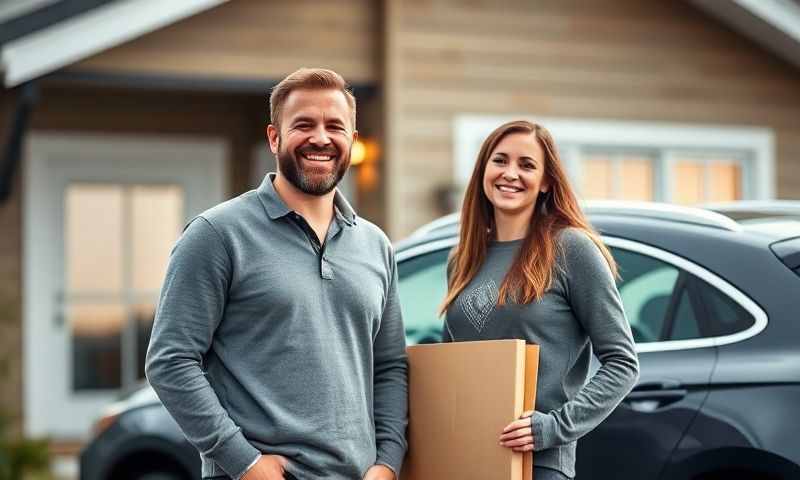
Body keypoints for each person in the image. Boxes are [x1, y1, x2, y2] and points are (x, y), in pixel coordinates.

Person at [145, 68, 408, 480]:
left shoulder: (375, 246)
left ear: (352, 142)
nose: (320, 138)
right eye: (303, 124)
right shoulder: (217, 234)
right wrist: (243, 462)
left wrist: (387, 463)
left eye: (335, 126)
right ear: (274, 138)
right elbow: (170, 360)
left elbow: (390, 365)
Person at [439, 120, 639, 480]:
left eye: (526, 165)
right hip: (467, 459)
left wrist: (554, 428)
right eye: (499, 161)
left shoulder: (571, 249)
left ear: (546, 181)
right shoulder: (463, 259)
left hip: (539, 464)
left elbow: (623, 363)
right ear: (483, 170)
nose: (510, 173)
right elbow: (452, 362)